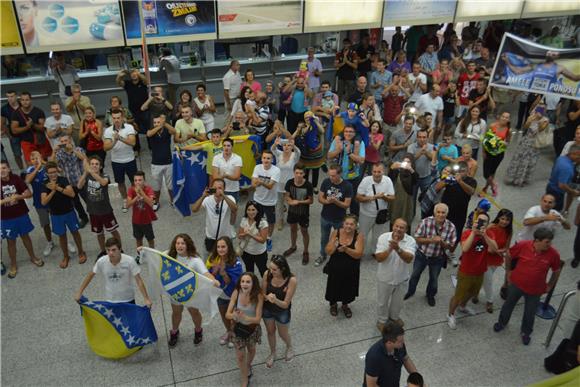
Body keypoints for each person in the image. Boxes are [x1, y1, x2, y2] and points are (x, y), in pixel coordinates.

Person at [494, 228, 561, 345]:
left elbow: (556, 270)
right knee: (508, 304)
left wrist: (550, 285)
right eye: (547, 242)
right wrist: (509, 272)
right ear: (537, 240)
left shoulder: (553, 254)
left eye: (550, 242)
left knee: (530, 312)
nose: (549, 245)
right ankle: (502, 323)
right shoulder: (523, 245)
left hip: (535, 290)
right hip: (516, 284)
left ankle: (526, 332)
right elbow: (509, 255)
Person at [165, 234, 220, 347]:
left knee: (194, 312)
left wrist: (213, 280)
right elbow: (155, 256)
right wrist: (143, 249)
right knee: (176, 313)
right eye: (177, 243)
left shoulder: (195, 260)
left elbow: (205, 273)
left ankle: (198, 330)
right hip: (176, 293)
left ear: (187, 245)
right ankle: (174, 331)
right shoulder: (170, 255)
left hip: (191, 293)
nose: (179, 246)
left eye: (182, 243)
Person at [447, 213, 497, 329]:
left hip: (480, 271)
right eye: (479, 220)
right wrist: (474, 233)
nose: (481, 223)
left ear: (487, 224)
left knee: (473, 292)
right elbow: (465, 248)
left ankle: (463, 306)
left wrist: (485, 235)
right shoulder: (467, 233)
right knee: (458, 295)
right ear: (475, 221)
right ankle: (450, 314)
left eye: (484, 221)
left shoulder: (488, 234)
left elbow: (494, 249)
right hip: (466, 271)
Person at [74, 237, 152, 307]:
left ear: (120, 249)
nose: (110, 253)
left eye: (114, 250)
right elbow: (91, 274)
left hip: (128, 299)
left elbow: (139, 280)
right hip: (111, 299)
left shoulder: (129, 261)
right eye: (108, 250)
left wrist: (146, 298)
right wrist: (79, 292)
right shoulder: (101, 261)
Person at [405, 203, 457, 306]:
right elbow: (417, 238)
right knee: (415, 275)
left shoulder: (451, 227)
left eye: (443, 212)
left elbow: (451, 247)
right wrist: (432, 240)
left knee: (434, 279)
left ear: (447, 214)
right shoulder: (425, 222)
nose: (440, 215)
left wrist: (442, 243)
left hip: (437, 258)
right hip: (422, 255)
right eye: (438, 212)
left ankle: (430, 295)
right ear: (434, 213)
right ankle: (410, 291)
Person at [1, 160, 44, 278]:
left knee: (26, 237)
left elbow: (29, 193)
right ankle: (13, 264)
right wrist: (8, 199)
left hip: (21, 214)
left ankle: (33, 257)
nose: (2, 171)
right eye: (0, 169)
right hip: (6, 218)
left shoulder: (16, 179)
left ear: (9, 169)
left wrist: (19, 196)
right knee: (11, 242)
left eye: (4, 168)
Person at [41, 161, 87, 269]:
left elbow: (72, 193)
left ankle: (81, 252)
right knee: (62, 236)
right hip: (56, 215)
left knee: (75, 232)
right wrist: (52, 190)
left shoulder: (63, 180)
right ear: (47, 174)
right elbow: (44, 202)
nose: (53, 174)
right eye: (50, 173)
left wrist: (57, 188)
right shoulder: (44, 184)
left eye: (54, 172)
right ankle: (66, 256)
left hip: (69, 212)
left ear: (57, 171)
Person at [374, 218, 416, 330]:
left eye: (402, 227)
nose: (398, 229)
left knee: (398, 302)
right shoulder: (383, 238)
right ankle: (382, 320)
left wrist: (398, 249)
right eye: (396, 226)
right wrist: (390, 249)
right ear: (393, 226)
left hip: (402, 279)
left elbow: (409, 259)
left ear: (406, 229)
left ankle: (394, 317)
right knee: (382, 302)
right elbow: (379, 258)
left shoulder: (411, 241)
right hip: (384, 278)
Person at [77, 156, 122, 260]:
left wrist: (91, 172)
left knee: (113, 230)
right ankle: (103, 251)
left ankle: (119, 248)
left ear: (100, 166)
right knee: (99, 233)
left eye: (96, 164)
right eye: (92, 164)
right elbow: (79, 186)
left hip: (105, 210)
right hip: (93, 211)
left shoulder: (105, 175)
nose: (94, 166)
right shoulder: (87, 176)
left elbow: (103, 182)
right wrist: (85, 172)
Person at [226, 272, 264, 387]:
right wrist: (234, 316)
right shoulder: (236, 293)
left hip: (252, 329)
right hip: (238, 330)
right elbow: (227, 314)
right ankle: (244, 379)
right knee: (240, 356)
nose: (244, 284)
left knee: (251, 350)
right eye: (242, 281)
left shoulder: (258, 295)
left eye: (248, 282)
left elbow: (257, 319)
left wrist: (245, 317)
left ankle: (248, 366)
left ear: (253, 284)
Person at [207, 236, 244, 348]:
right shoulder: (214, 259)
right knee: (224, 315)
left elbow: (234, 282)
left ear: (229, 247)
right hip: (220, 294)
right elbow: (209, 276)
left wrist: (223, 272)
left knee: (233, 317)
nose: (220, 249)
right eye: (218, 247)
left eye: (223, 246)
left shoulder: (235, 262)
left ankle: (234, 334)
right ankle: (229, 331)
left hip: (233, 295)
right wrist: (213, 271)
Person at [324, 215, 364, 318]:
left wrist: (347, 250)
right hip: (335, 267)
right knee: (334, 285)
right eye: (347, 223)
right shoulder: (336, 232)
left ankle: (345, 305)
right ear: (343, 224)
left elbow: (358, 254)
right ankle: (333, 304)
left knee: (348, 287)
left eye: (351, 224)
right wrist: (334, 245)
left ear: (356, 226)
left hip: (351, 269)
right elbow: (328, 251)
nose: (348, 226)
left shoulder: (359, 236)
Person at [262, 255, 297, 368]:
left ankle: (289, 346)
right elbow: (262, 293)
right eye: (270, 268)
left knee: (283, 334)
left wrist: (275, 299)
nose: (271, 272)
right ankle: (273, 353)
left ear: (282, 269)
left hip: (282, 312)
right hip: (267, 310)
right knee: (270, 332)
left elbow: (285, 304)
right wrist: (267, 297)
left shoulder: (291, 280)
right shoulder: (267, 274)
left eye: (274, 270)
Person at [315, 164, 353, 267]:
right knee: (324, 239)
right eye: (330, 175)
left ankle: (338, 258)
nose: (331, 178)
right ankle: (322, 255)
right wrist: (327, 202)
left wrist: (336, 201)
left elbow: (346, 205)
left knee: (341, 239)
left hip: (340, 219)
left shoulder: (347, 186)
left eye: (333, 176)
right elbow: (320, 198)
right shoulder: (326, 182)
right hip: (325, 217)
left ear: (340, 174)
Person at [440, 162, 477, 264]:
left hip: (460, 213)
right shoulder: (450, 178)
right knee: (441, 231)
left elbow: (471, 191)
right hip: (445, 212)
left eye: (462, 171)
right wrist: (446, 179)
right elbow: (438, 187)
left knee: (457, 234)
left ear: (467, 171)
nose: (460, 173)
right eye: (458, 171)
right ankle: (439, 251)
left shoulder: (471, 181)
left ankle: (450, 253)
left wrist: (460, 181)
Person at [505, 105, 550, 187]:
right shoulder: (531, 117)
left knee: (529, 162)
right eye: (539, 108)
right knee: (518, 158)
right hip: (526, 141)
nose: (540, 110)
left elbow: (540, 130)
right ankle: (511, 178)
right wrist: (530, 120)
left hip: (535, 144)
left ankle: (521, 180)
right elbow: (525, 127)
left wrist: (539, 120)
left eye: (542, 109)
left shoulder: (545, 120)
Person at [356, 163, 395, 257]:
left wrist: (384, 197)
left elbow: (392, 197)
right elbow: (358, 197)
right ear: (371, 171)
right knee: (362, 235)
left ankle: (375, 252)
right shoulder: (366, 180)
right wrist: (373, 198)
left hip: (381, 214)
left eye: (379, 172)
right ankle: (359, 252)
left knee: (377, 236)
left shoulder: (388, 180)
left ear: (383, 172)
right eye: (374, 171)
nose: (376, 174)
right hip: (366, 214)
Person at [363, 321, 418, 387]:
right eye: (400, 341)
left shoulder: (399, 346)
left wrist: (418, 380)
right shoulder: (374, 357)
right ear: (389, 342)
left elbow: (406, 359)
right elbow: (371, 385)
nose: (403, 343)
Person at [103, 108, 137, 212]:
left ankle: (135, 199)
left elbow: (133, 143)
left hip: (130, 160)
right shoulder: (108, 131)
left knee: (134, 182)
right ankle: (125, 200)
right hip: (117, 162)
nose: (116, 120)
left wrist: (120, 138)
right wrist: (114, 140)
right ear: (111, 119)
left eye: (118, 118)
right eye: (114, 118)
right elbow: (106, 148)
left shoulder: (129, 127)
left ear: (122, 117)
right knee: (120, 183)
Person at [52, 134, 89, 228]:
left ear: (70, 141)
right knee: (76, 203)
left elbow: (84, 158)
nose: (64, 143)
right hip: (69, 183)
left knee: (88, 200)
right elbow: (53, 165)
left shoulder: (78, 149)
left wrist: (72, 150)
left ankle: (94, 214)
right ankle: (84, 218)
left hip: (80, 180)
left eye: (66, 141)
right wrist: (54, 152)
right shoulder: (60, 153)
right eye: (62, 141)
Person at [191, 178, 237, 253]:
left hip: (225, 237)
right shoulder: (207, 200)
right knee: (210, 259)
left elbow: (234, 209)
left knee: (226, 258)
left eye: (220, 188)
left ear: (224, 189)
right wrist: (203, 196)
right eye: (215, 188)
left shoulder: (230, 198)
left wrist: (223, 195)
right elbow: (194, 209)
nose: (217, 190)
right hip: (211, 237)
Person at [328, 126, 365, 216]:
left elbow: (361, 160)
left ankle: (354, 219)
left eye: (351, 131)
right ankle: (338, 218)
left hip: (353, 177)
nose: (348, 133)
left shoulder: (360, 143)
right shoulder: (337, 142)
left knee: (353, 200)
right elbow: (329, 155)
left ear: (355, 133)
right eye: (346, 131)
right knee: (337, 197)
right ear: (343, 133)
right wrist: (339, 150)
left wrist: (349, 153)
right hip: (338, 176)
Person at [282, 164, 314, 264]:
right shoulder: (289, 183)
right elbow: (286, 196)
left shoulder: (308, 185)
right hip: (292, 212)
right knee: (293, 229)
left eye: (301, 173)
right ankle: (293, 246)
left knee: (304, 231)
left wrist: (298, 202)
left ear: (304, 174)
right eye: (297, 173)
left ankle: (305, 251)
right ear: (294, 172)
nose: (298, 175)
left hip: (303, 213)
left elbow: (311, 201)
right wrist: (289, 201)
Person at [25, 152, 54, 257]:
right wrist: (36, 169)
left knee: (57, 220)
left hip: (52, 200)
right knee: (45, 223)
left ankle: (64, 239)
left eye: (37, 158)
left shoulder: (47, 168)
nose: (35, 160)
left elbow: (58, 172)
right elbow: (27, 180)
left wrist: (43, 164)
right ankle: (50, 242)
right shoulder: (30, 170)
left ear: (41, 157)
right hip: (39, 203)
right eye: (32, 159)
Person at [483, 209, 514, 313]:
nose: (504, 222)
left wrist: (497, 251)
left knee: (485, 278)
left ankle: (475, 294)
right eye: (502, 218)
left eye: (507, 220)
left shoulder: (509, 231)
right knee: (488, 280)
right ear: (498, 218)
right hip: (485, 256)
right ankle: (490, 301)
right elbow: (482, 239)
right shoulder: (491, 226)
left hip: (496, 258)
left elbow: (506, 247)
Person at [10, 91, 51, 164]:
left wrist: (33, 125)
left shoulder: (38, 111)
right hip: (26, 142)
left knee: (44, 162)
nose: (25, 102)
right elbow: (14, 130)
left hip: (40, 141)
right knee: (30, 163)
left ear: (30, 100)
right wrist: (27, 127)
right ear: (20, 101)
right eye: (23, 100)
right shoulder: (16, 114)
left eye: (27, 100)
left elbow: (43, 128)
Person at [251, 151, 281, 252]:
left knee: (271, 221)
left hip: (270, 201)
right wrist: (261, 182)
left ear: (272, 160)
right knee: (257, 219)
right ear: (261, 159)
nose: (266, 160)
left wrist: (259, 181)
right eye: (264, 158)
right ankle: (259, 235)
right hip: (257, 199)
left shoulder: (276, 170)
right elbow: (253, 184)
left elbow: (270, 186)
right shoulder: (257, 168)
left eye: (268, 158)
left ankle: (268, 238)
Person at [146, 114, 175, 210]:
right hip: (156, 164)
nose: (156, 124)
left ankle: (173, 200)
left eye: (158, 122)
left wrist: (165, 124)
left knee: (170, 185)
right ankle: (156, 201)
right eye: (154, 122)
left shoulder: (167, 131)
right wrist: (160, 125)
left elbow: (174, 131)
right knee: (156, 186)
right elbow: (148, 134)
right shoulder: (151, 132)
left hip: (168, 162)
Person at [271, 137, 301, 230]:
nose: (286, 147)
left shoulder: (294, 156)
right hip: (279, 183)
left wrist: (294, 145)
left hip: (291, 184)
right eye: (284, 145)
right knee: (279, 204)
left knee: (292, 203)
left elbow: (298, 152)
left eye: (288, 145)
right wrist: (275, 143)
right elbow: (272, 149)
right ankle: (280, 220)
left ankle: (295, 221)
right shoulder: (279, 154)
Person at [481, 112, 511, 197]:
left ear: (508, 120)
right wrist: (483, 151)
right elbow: (485, 139)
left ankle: (486, 188)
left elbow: (508, 142)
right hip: (488, 152)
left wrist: (505, 143)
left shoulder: (508, 130)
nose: (504, 119)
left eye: (507, 117)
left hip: (499, 153)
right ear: (500, 117)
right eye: (503, 116)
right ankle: (494, 184)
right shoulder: (492, 126)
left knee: (492, 172)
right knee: (486, 173)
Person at [127, 171, 156, 254]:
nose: (137, 182)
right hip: (136, 220)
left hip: (147, 220)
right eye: (135, 180)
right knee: (138, 239)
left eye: (140, 180)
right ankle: (140, 255)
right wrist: (137, 196)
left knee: (150, 239)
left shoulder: (149, 189)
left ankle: (153, 254)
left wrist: (142, 193)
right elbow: (127, 205)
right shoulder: (131, 190)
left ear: (144, 181)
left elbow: (151, 203)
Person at [116, 69, 150, 140]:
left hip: (145, 110)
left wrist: (138, 73)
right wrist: (119, 75)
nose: (134, 74)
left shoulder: (143, 82)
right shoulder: (128, 83)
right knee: (133, 129)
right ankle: (137, 148)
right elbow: (119, 82)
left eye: (135, 73)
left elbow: (146, 81)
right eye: (132, 73)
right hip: (132, 110)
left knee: (148, 127)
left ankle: (151, 147)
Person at [238, 201, 269, 276]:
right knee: (249, 271)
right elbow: (239, 235)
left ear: (257, 210)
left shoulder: (263, 223)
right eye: (248, 210)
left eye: (253, 210)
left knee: (263, 271)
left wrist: (250, 234)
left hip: (259, 253)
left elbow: (262, 240)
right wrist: (245, 234)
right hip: (246, 251)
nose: (251, 212)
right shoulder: (244, 220)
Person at [546, 147, 580, 212]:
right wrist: (573, 191)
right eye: (579, 156)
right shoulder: (567, 168)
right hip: (557, 192)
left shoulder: (561, 158)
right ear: (573, 154)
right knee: (555, 211)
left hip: (550, 187)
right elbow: (561, 185)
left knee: (548, 208)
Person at [389, 155, 418, 230]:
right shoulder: (397, 171)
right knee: (394, 218)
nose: (406, 164)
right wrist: (392, 168)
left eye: (409, 162)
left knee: (406, 219)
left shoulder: (413, 173)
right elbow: (389, 178)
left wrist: (411, 169)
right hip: (396, 201)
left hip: (407, 201)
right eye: (405, 161)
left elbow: (416, 180)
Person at [407, 129, 435, 203]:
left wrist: (425, 152)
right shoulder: (411, 147)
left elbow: (432, 158)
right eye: (420, 137)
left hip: (426, 177)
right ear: (417, 137)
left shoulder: (431, 147)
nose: (422, 139)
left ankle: (425, 214)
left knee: (426, 199)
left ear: (427, 138)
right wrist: (420, 152)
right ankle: (411, 214)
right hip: (413, 177)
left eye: (424, 137)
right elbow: (409, 160)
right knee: (412, 199)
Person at [212, 138, 243, 202]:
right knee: (219, 210)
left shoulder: (238, 158)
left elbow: (237, 177)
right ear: (222, 147)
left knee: (233, 210)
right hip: (219, 189)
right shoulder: (216, 158)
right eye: (224, 145)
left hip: (233, 190)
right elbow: (214, 177)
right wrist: (226, 176)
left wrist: (225, 175)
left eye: (228, 146)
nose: (226, 148)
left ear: (232, 147)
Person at [1, 90, 24, 171]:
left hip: (26, 133)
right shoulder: (4, 109)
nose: (10, 98)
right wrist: (9, 136)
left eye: (12, 96)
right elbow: (2, 123)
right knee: (17, 154)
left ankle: (31, 169)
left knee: (30, 152)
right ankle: (22, 171)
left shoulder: (23, 104)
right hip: (13, 135)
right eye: (8, 97)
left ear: (16, 96)